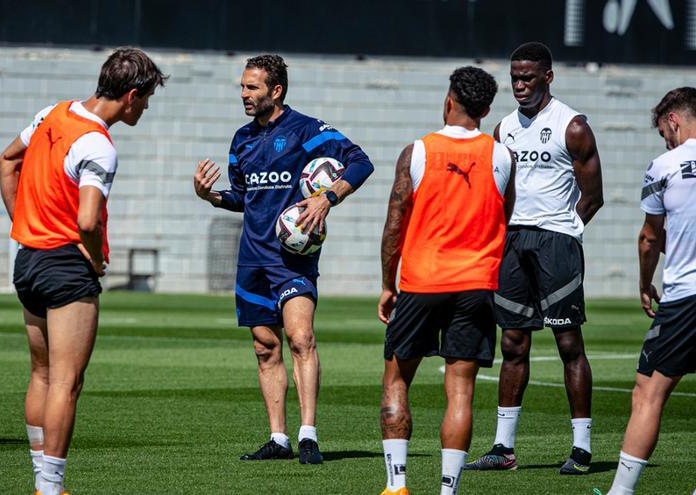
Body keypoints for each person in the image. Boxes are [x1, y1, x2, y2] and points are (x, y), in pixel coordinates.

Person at [0, 48, 166, 495]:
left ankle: (41, 481)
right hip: (66, 267)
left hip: (28, 260)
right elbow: (88, 220)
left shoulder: (51, 114)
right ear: (130, 96)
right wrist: (94, 258)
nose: (146, 107)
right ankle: (51, 488)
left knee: (42, 374)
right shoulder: (98, 145)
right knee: (67, 383)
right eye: (146, 99)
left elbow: (7, 161)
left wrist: (23, 223)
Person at [193, 54, 373, 464]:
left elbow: (361, 162)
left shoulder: (307, 131)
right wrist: (210, 196)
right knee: (264, 348)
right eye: (242, 86)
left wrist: (327, 198)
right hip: (251, 259)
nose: (243, 94)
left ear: (275, 90)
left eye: (251, 87)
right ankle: (279, 438)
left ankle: (308, 434)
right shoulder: (241, 139)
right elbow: (243, 198)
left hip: (292, 259)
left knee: (300, 338)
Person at [465, 41, 604, 475]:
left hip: (556, 243)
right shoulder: (503, 128)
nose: (520, 86)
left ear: (548, 76)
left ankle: (581, 449)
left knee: (568, 344)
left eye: (528, 78)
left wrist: (567, 231)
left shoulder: (573, 125)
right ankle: (503, 449)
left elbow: (593, 196)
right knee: (512, 343)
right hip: (513, 242)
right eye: (515, 78)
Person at [378, 66, 514, 495]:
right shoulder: (501, 155)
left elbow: (394, 223)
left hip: (421, 282)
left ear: (448, 100)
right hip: (476, 284)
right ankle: (448, 491)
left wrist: (388, 283)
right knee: (460, 392)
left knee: (397, 380)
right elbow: (504, 216)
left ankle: (397, 486)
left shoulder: (417, 151)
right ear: (487, 109)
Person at [600, 87, 696, 495]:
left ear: (672, 120)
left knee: (648, 393)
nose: (664, 139)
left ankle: (621, 493)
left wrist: (644, 283)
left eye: (663, 132)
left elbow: (648, 238)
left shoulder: (664, 165)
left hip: (686, 295)